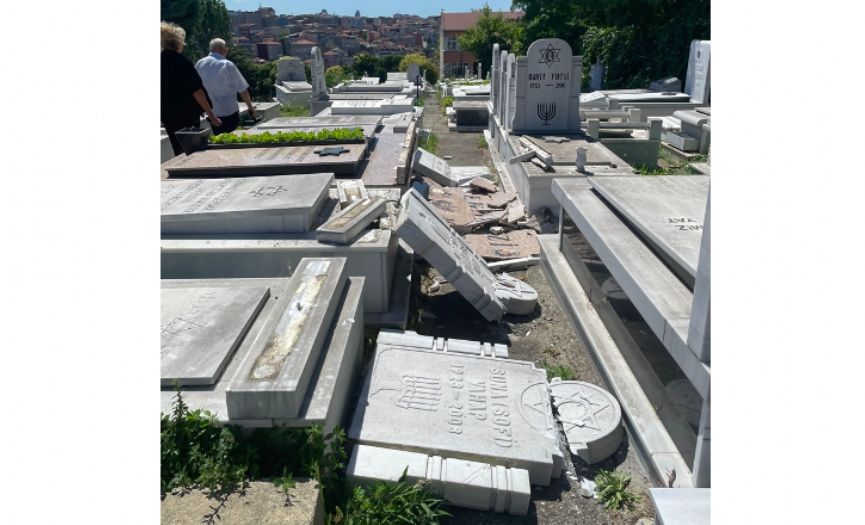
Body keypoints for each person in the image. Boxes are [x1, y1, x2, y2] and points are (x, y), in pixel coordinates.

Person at [161, 22, 221, 155]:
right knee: (192, 151)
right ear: (177, 42)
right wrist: (211, 116)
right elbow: (197, 91)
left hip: (167, 114)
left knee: (178, 149)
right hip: (186, 114)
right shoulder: (181, 62)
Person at [195, 38, 256, 135]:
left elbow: (196, 89)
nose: (227, 50)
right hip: (228, 111)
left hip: (210, 112)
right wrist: (250, 108)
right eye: (225, 48)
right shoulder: (227, 65)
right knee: (231, 141)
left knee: (218, 140)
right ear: (220, 49)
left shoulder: (199, 63)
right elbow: (242, 90)